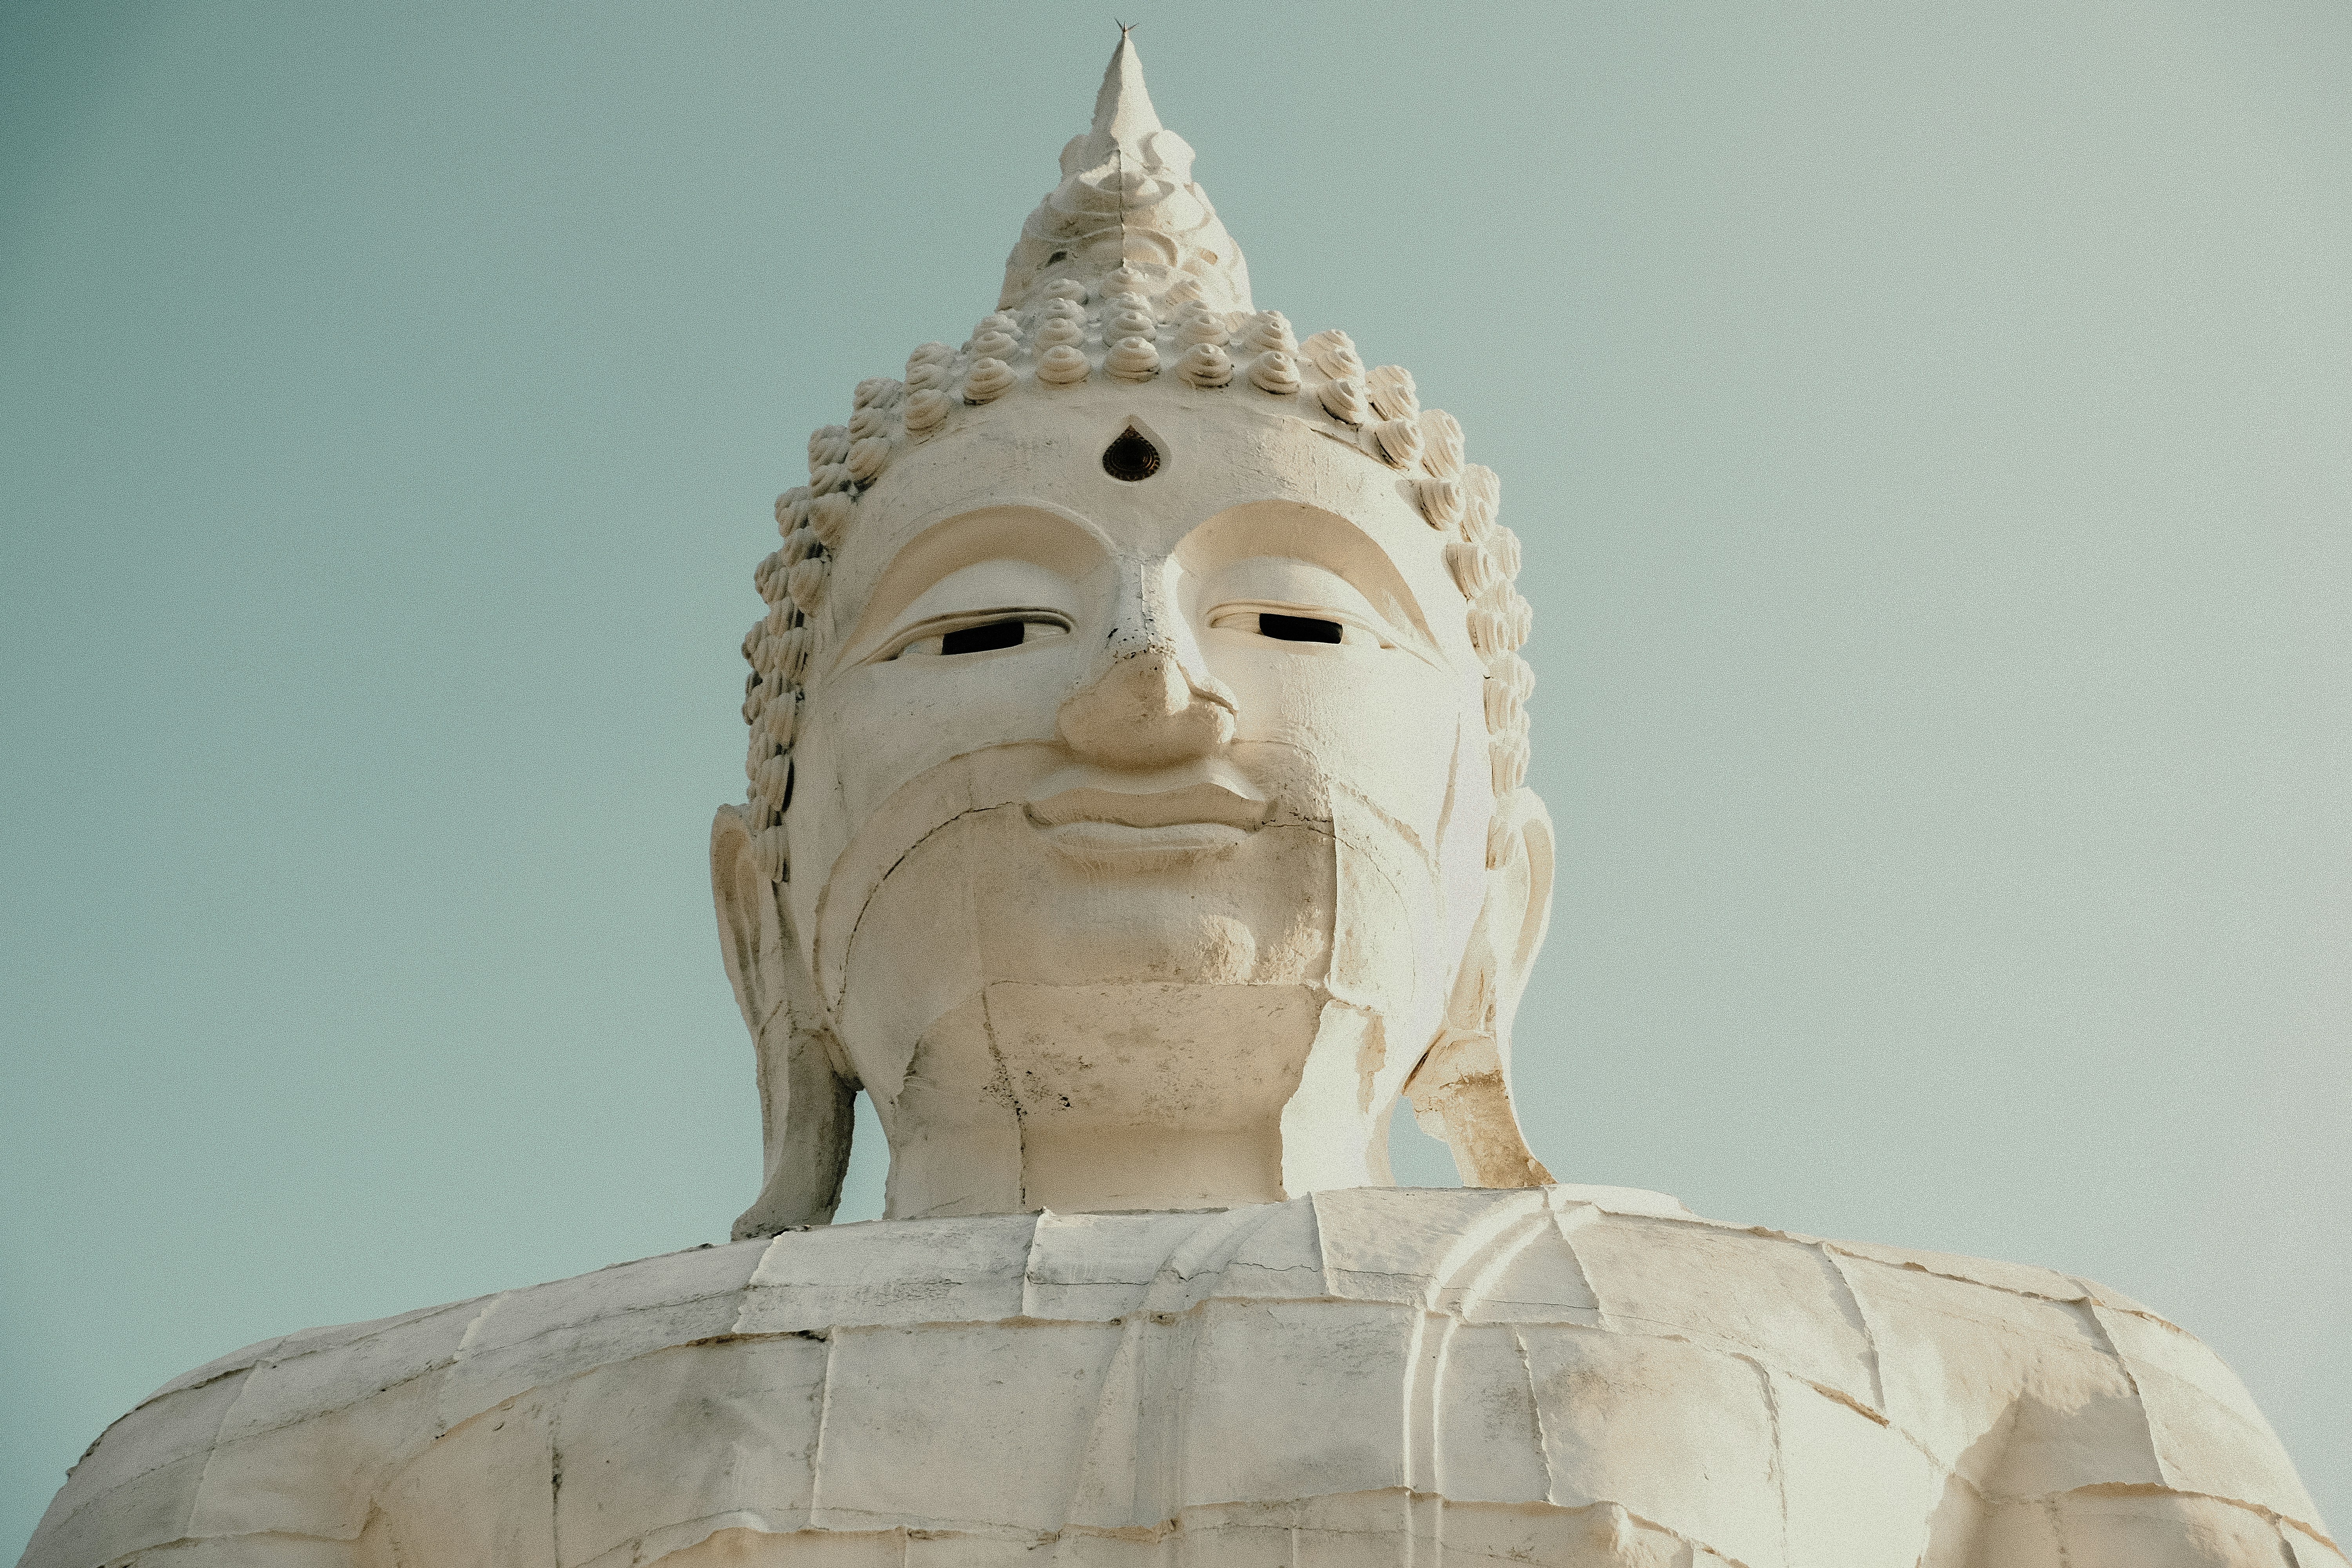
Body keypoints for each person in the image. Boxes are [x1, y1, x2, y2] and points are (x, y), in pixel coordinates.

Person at [24, 34, 2337, 1568]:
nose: (1152, 693)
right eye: (983, 629)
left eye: (1299, 620)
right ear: (764, 915)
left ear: (1503, 903)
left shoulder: (2032, 1409)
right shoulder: (295, 1467)